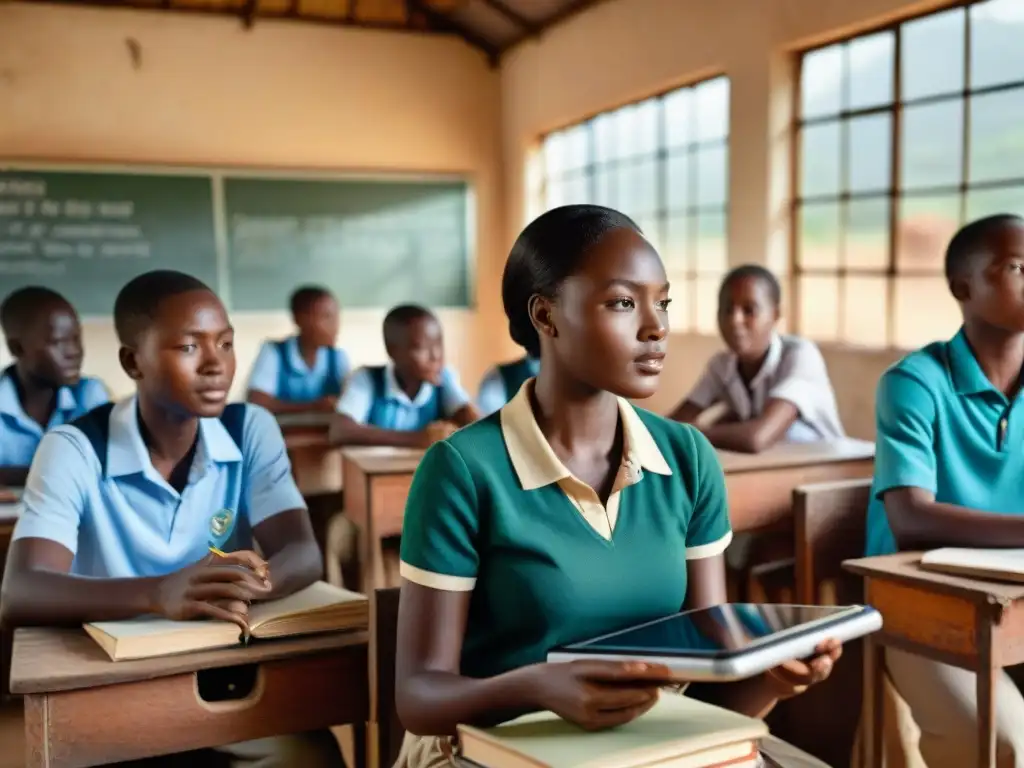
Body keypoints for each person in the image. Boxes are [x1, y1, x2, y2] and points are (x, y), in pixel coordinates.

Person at [394, 205, 842, 768]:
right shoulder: (461, 469)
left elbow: (709, 688)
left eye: (664, 302)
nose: (655, 326)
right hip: (486, 748)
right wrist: (538, 687)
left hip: (656, 742)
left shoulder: (688, 457)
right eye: (623, 303)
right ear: (546, 316)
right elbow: (419, 698)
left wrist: (773, 677)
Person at [0, 270, 342, 767]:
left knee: (311, 756)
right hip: (110, 685)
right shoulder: (74, 447)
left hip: (226, 680)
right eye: (188, 348)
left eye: (225, 344)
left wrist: (240, 587)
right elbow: (21, 591)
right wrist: (160, 593)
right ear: (131, 361)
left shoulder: (250, 429)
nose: (215, 365)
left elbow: (303, 552)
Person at [865, 213, 1024, 768]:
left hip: (1014, 600)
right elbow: (911, 518)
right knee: (1005, 743)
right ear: (963, 287)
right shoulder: (913, 383)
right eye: (1015, 266)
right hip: (921, 606)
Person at [670, 265, 844, 453]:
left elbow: (757, 438)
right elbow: (674, 423)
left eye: (749, 310)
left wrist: (692, 433)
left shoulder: (799, 355)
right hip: (773, 464)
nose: (734, 320)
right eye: (727, 309)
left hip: (826, 467)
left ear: (775, 315)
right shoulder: (722, 365)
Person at [0, 286, 109, 487]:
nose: (74, 352)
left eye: (76, 338)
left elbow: (106, 470)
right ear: (17, 348)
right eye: (58, 342)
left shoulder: (89, 395)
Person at [329, 304, 479, 448]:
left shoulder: (444, 378)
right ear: (392, 351)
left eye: (439, 344)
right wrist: (417, 438)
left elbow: (474, 422)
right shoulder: (367, 379)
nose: (436, 356)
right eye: (421, 348)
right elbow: (340, 431)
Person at [247, 285, 350, 414]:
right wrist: (312, 407)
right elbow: (257, 402)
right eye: (326, 317)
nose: (336, 326)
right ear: (299, 319)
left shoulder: (338, 357)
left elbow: (349, 403)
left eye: (336, 317)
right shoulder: (274, 352)